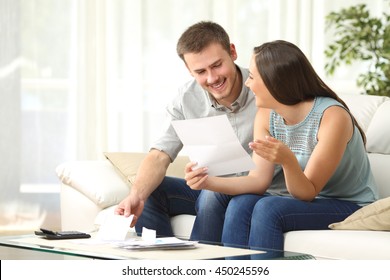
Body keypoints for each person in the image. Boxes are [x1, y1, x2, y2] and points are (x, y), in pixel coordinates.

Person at [184, 40, 378, 258]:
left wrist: (287, 161)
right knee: (241, 203)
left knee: (268, 209)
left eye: (252, 77)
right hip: (310, 201)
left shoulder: (332, 116)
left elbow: (307, 192)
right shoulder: (267, 115)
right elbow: (258, 180)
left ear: (274, 81)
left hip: (349, 204)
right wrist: (207, 182)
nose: (247, 84)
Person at [115, 21, 257, 243]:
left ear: (232, 52)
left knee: (212, 192)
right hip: (211, 191)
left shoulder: (264, 89)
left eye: (217, 65)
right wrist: (136, 195)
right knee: (150, 191)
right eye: (200, 71)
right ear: (189, 70)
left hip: (255, 191)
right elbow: (160, 154)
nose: (212, 78)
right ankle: (162, 265)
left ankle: (199, 267)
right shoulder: (186, 98)